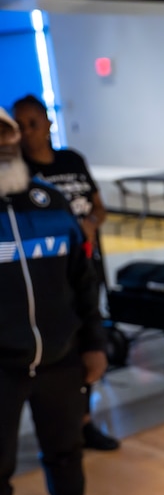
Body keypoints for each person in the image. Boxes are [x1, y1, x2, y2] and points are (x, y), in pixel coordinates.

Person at [0, 107, 125, 495]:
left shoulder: (50, 203)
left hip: (60, 361)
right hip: (0, 373)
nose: (4, 145)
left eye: (6, 135)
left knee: (67, 454)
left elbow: (83, 283)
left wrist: (93, 344)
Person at [13, 94, 120, 452]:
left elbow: (99, 207)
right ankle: (70, 425)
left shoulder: (72, 160)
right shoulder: (21, 176)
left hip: (86, 266)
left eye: (33, 122)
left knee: (87, 339)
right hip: (50, 277)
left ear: (47, 123)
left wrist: (89, 223)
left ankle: (84, 419)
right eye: (21, 125)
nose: (28, 132)